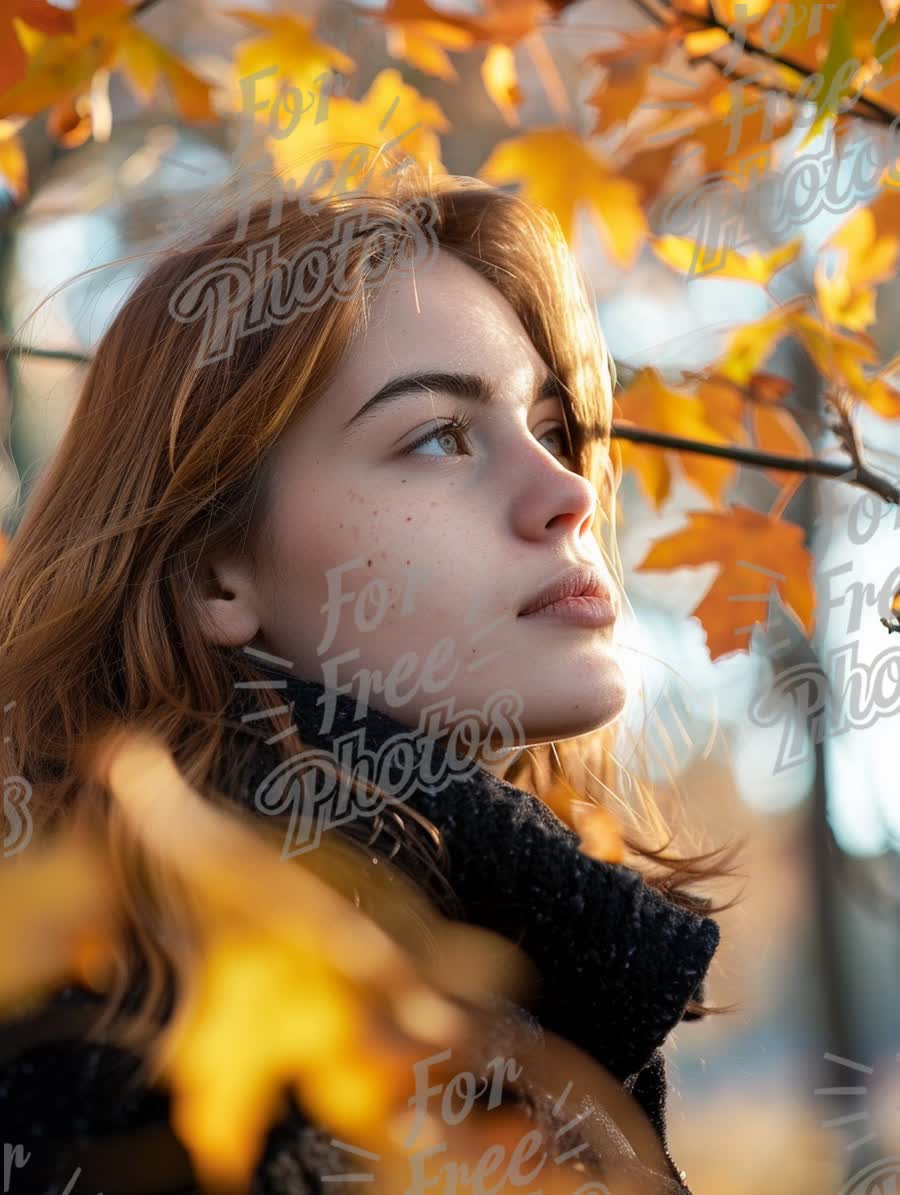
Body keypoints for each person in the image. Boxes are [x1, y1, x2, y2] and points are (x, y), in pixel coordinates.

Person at [0, 167, 739, 1194]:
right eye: (438, 436)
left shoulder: (492, 955)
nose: (570, 493)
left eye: (554, 429)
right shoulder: (139, 1027)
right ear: (220, 570)